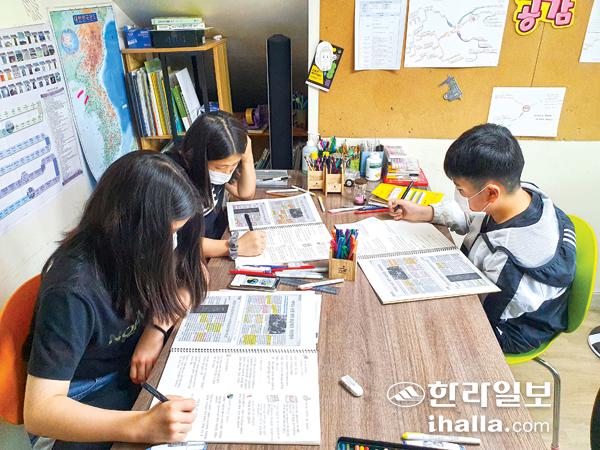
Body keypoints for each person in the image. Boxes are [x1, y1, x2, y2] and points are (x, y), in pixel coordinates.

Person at [24, 152, 206, 449]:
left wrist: (155, 330)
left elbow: (195, 276)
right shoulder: (73, 289)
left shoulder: (138, 252)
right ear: (133, 228)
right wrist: (140, 426)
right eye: (172, 233)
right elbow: (40, 413)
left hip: (124, 375)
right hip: (77, 401)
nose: (174, 243)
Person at [388, 123, 576, 354]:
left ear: (491, 193)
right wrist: (425, 213)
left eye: (461, 190)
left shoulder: (512, 265)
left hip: (510, 329)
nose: (459, 195)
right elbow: (478, 219)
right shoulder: (519, 195)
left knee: (413, 332)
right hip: (490, 293)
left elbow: (478, 316)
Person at [165, 111, 266, 259]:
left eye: (234, 165)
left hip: (217, 237)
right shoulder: (174, 177)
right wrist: (233, 246)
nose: (227, 172)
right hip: (195, 256)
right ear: (200, 157)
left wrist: (247, 157)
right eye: (221, 167)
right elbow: (179, 243)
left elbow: (245, 193)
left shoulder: (220, 164)